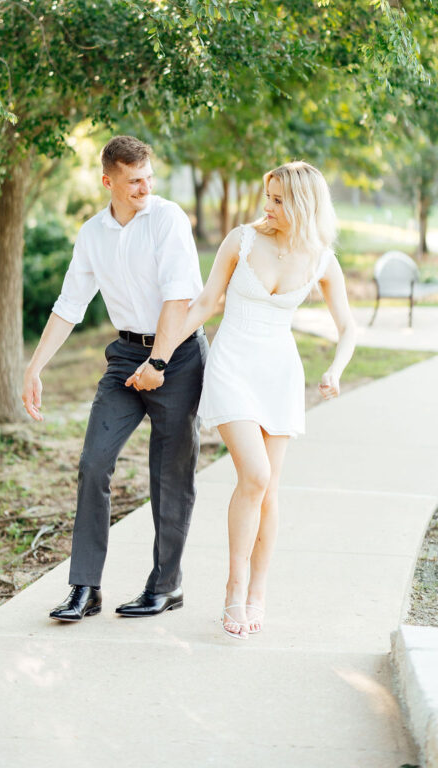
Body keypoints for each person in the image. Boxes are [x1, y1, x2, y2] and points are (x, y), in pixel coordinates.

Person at [126, 161, 356, 639]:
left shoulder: (321, 259)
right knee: (255, 474)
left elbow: (348, 326)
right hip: (233, 365)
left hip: (279, 373)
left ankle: (257, 593)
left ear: (301, 205)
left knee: (269, 491)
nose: (266, 208)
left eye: (277, 200)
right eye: (266, 197)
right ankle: (233, 586)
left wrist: (335, 368)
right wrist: (158, 358)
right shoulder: (241, 241)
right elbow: (205, 304)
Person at [22, 135, 208, 622]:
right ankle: (85, 588)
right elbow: (69, 305)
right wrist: (34, 366)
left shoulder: (167, 219)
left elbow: (177, 298)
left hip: (179, 357)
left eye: (149, 178)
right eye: (134, 182)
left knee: (169, 477)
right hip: (126, 357)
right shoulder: (92, 234)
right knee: (93, 463)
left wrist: (160, 364)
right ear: (108, 181)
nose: (145, 187)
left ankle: (166, 585)